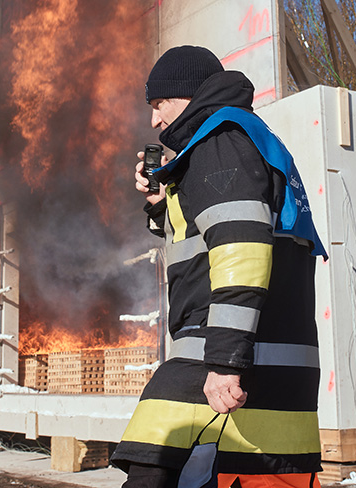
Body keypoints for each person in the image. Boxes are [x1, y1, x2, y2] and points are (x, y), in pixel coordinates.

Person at [112, 45, 327, 488]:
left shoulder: (218, 140)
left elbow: (240, 248)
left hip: (221, 351)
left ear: (188, 95)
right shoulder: (239, 139)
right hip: (265, 357)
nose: (153, 120)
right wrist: (160, 204)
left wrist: (226, 359)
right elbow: (208, 238)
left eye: (158, 105)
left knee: (150, 463)